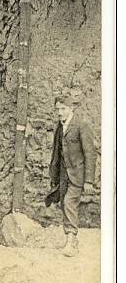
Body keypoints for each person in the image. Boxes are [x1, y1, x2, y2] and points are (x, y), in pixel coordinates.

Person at [45, 91, 97, 257]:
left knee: (69, 202)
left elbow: (90, 153)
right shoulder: (60, 126)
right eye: (57, 109)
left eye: (63, 108)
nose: (60, 112)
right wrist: (54, 177)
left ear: (71, 108)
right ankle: (71, 238)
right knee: (64, 204)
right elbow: (56, 152)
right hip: (63, 175)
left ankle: (71, 241)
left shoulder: (82, 124)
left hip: (77, 174)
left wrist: (89, 181)